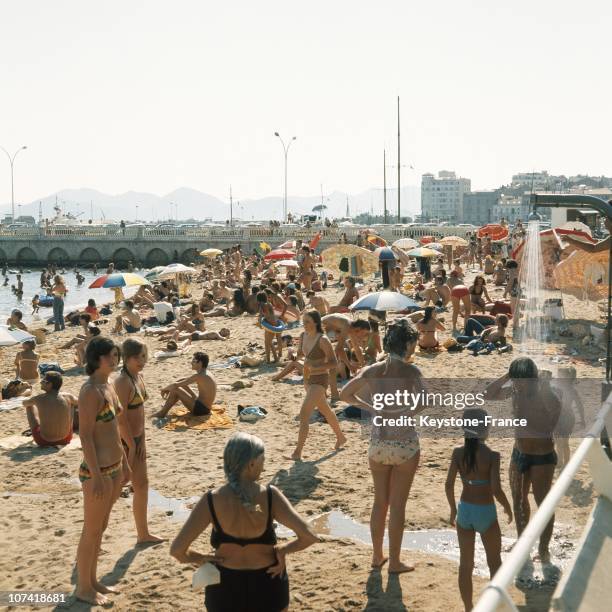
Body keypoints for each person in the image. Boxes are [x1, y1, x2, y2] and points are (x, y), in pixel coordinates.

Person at [170, 432, 319, 612]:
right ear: (251, 464)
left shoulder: (211, 500)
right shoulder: (271, 496)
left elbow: (177, 550)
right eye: (263, 460)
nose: (264, 467)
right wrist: (283, 550)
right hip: (268, 580)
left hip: (224, 584)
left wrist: (201, 558)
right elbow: (309, 536)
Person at [340, 318, 423, 573]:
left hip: (378, 442)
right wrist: (405, 412)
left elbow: (345, 395)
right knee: (397, 506)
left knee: (380, 503)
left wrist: (373, 407)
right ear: (408, 343)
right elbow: (425, 401)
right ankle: (395, 562)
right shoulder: (412, 372)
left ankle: (377, 556)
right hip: (405, 443)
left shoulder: (373, 370)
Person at [485, 358, 561, 562]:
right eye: (515, 380)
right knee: (518, 500)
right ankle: (522, 543)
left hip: (542, 457)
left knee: (542, 503)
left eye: (521, 381)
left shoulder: (545, 394)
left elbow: (555, 415)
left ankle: (544, 549)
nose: (517, 385)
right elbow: (487, 394)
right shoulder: (515, 391)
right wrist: (508, 375)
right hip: (519, 452)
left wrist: (543, 386)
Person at [75, 336, 130, 605]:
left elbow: (115, 430)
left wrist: (126, 463)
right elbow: (85, 436)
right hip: (97, 472)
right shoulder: (89, 392)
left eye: (116, 355)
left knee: (101, 527)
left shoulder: (108, 386)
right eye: (110, 355)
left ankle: (93, 580)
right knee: (92, 530)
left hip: (115, 468)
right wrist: (96, 475)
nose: (115, 359)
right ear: (96, 358)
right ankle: (83, 588)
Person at [445, 408, 512, 611]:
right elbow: (495, 489)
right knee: (494, 563)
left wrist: (453, 510)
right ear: (485, 430)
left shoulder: (457, 453)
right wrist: (507, 507)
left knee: (465, 565)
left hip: (464, 510)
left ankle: (468, 608)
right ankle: (495, 606)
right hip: (486, 512)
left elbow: (448, 485)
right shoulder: (492, 455)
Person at [114, 338, 164, 544]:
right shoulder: (122, 382)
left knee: (141, 486)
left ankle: (143, 534)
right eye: (137, 357)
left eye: (144, 356)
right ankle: (93, 537)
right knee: (113, 490)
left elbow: (141, 413)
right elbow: (120, 417)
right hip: (124, 441)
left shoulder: (138, 377)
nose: (141, 360)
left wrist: (141, 440)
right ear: (126, 358)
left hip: (137, 439)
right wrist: (132, 444)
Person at [290, 310, 346, 460]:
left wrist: (317, 368)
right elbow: (301, 354)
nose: (304, 324)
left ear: (315, 322)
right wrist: (294, 356)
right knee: (326, 410)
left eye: (307, 321)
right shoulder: (303, 336)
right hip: (307, 379)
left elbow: (334, 362)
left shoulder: (323, 340)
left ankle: (297, 452)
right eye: (303, 321)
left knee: (304, 414)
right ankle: (341, 437)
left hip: (320, 380)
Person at [22, 372, 77, 447]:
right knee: (72, 404)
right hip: (66, 439)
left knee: (29, 406)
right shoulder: (67, 396)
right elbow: (80, 402)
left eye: (43, 381)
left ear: (49, 384)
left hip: (43, 440)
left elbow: (24, 403)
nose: (40, 382)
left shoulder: (39, 398)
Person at [154, 352, 216, 418]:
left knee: (175, 390)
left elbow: (175, 385)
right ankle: (164, 410)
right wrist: (170, 387)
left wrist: (164, 389)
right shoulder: (205, 373)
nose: (191, 363)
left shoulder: (200, 376)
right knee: (180, 384)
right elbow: (184, 380)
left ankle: (162, 413)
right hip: (205, 406)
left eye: (194, 361)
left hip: (201, 410)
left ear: (200, 363)